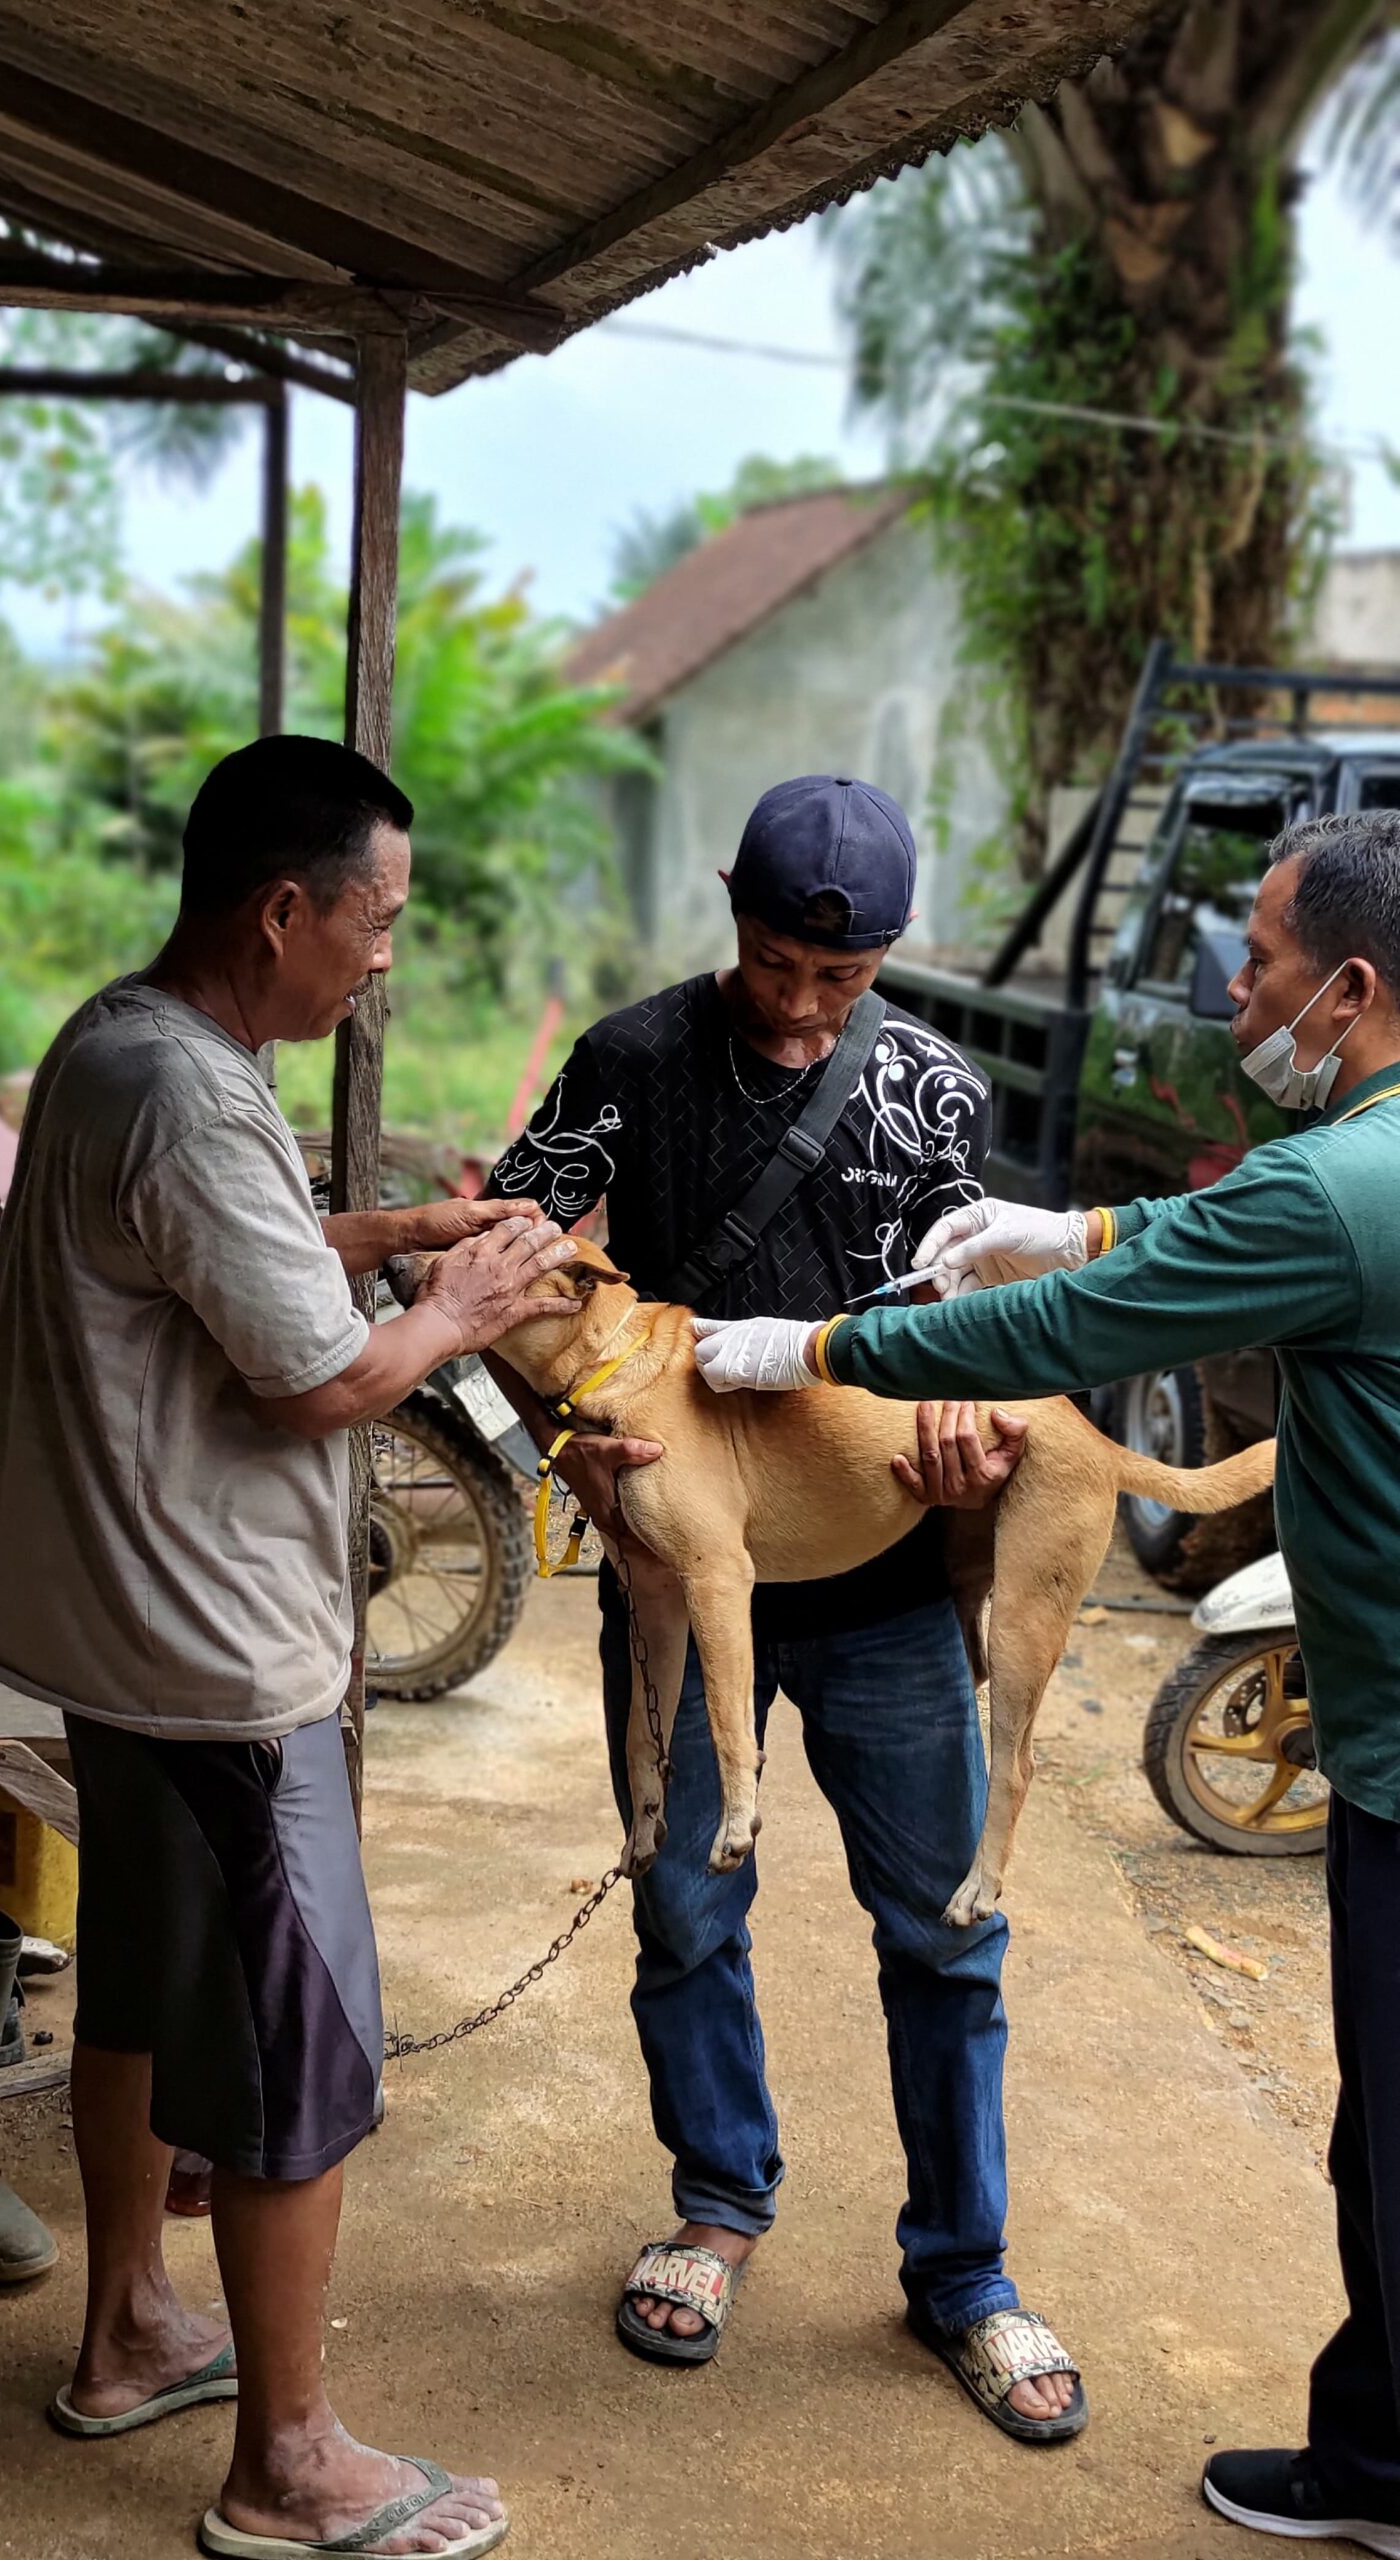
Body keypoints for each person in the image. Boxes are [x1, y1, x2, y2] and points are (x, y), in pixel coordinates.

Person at [691, 807, 1400, 2549]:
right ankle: (1376, 2466)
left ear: (1357, 989)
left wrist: (825, 1343)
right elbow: (1201, 1246)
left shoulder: (1338, 1179)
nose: (1239, 995)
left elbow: (1079, 1335)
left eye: (1265, 964)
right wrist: (1073, 1224)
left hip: (1377, 1743)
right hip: (1375, 1733)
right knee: (1375, 2143)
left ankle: (988, 2279)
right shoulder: (635, 1058)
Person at [0, 735, 582, 2560]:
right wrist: (460, 1302)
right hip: (223, 1654)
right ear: (283, 908)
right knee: (299, 2045)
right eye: (373, 920)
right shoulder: (196, 1097)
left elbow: (208, 1263)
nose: (380, 954)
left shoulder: (115, 1041)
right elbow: (317, 1377)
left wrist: (386, 1230)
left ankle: (130, 2328)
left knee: (151, 1983)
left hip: (114, 1625)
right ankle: (287, 2466)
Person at [485, 773, 1089, 2442]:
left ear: (887, 957)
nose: (809, 1004)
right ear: (732, 909)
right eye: (777, 963)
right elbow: (506, 1260)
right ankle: (717, 2203)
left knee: (946, 1932)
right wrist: (564, 1437)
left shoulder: (935, 1089)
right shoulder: (629, 1060)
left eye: (846, 976)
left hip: (887, 1574)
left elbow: (980, 1308)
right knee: (681, 1906)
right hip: (682, 1566)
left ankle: (965, 2271)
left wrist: (975, 1427)